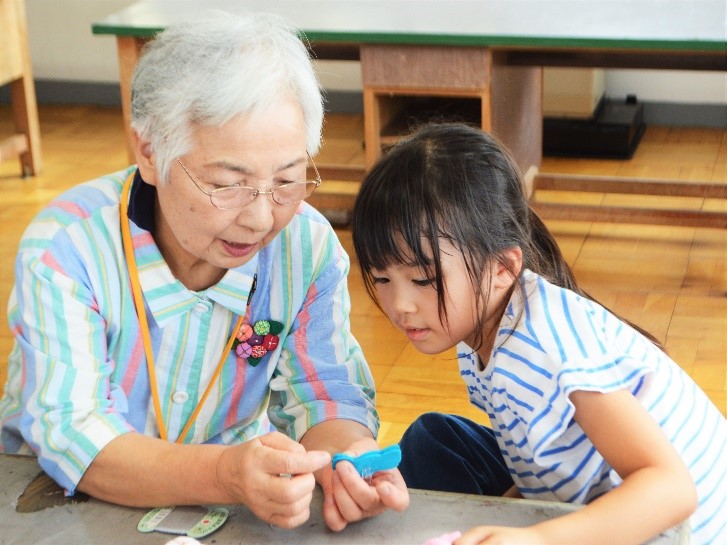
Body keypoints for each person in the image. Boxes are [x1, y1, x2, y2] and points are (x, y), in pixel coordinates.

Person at [0, 10, 408, 531]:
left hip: (221, 515)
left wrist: (349, 461)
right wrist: (225, 475)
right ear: (150, 152)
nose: (262, 218)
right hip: (54, 508)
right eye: (227, 184)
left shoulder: (305, 246)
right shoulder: (69, 248)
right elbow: (73, 432)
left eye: (287, 180)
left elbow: (324, 391)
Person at [351, 122, 726, 545]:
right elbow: (536, 462)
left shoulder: (548, 344)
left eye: (422, 280)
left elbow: (673, 491)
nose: (400, 304)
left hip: (676, 529)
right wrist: (504, 522)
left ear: (503, 268)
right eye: (382, 278)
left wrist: (539, 539)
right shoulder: (486, 326)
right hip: (600, 498)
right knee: (433, 441)